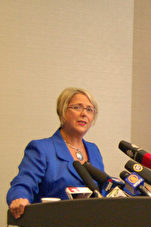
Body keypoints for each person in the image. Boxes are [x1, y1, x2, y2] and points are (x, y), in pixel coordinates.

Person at [7, 87, 104, 219]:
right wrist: (19, 198)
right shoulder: (42, 149)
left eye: (89, 109)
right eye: (77, 107)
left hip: (89, 226)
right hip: (49, 226)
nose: (84, 113)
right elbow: (23, 183)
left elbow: (103, 190)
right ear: (62, 111)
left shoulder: (93, 150)